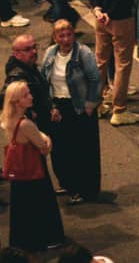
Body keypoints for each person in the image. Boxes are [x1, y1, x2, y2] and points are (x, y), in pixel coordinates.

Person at [39, 18, 103, 201]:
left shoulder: (83, 53)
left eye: (69, 35)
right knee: (61, 149)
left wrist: (90, 104)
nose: (66, 39)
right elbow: (45, 79)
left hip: (80, 107)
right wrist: (50, 106)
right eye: (61, 35)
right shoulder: (51, 53)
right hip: (59, 106)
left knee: (81, 151)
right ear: (55, 37)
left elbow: (94, 79)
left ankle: (84, 190)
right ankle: (67, 184)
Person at [0, 79, 64, 252]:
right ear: (17, 101)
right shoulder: (25, 124)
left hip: (20, 176)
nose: (31, 96)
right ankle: (48, 238)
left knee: (23, 210)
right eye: (26, 94)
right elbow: (44, 147)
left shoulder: (9, 120)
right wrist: (47, 139)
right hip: (34, 172)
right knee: (41, 206)